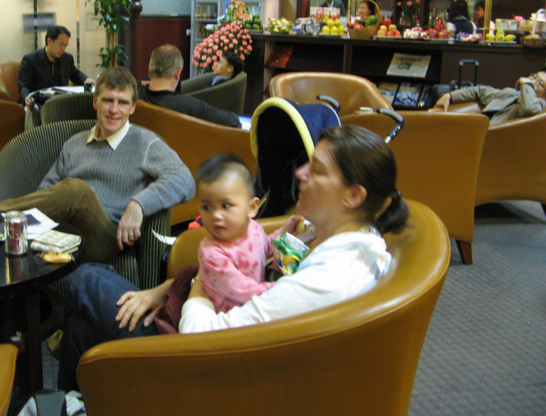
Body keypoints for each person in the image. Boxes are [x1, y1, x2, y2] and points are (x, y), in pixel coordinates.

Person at [56, 124, 409, 391]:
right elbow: (257, 267)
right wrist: (166, 288)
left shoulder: (329, 279)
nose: (300, 173)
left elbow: (201, 340)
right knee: (79, 331)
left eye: (316, 170)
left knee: (86, 278)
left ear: (353, 195)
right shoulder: (336, 238)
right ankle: (76, 410)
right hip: (223, 342)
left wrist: (196, 288)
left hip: (208, 370)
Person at [0, 66, 194, 263]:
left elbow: (184, 179)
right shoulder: (74, 143)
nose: (114, 110)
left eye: (123, 103)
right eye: (108, 100)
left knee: (78, 190)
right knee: (72, 192)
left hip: (105, 238)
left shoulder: (145, 143)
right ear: (95, 101)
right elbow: (46, 192)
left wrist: (138, 205)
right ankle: (3, 228)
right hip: (63, 232)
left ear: (132, 108)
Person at [194, 153, 300, 313]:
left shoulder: (253, 228)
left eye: (226, 205)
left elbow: (266, 248)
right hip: (231, 318)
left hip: (256, 302)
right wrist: (281, 287)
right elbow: (242, 290)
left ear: (251, 208)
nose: (215, 215)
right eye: (207, 207)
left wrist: (284, 232)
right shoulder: (211, 253)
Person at [138, 44, 241, 128]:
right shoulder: (190, 105)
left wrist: (142, 83)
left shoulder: (133, 95)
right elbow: (233, 121)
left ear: (149, 70)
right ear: (177, 73)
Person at [433, 69, 546, 124]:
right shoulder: (511, 94)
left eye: (540, 83)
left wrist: (527, 84)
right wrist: (449, 96)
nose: (532, 81)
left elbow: (529, 109)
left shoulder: (540, 105)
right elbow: (481, 91)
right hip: (477, 134)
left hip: (494, 142)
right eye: (534, 77)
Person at [17, 25, 90, 109]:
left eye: (66, 45)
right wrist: (27, 97)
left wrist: (87, 80)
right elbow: (23, 85)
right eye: (61, 44)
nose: (63, 49)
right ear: (49, 41)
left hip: (60, 102)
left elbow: (75, 74)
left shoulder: (66, 58)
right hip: (38, 103)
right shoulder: (31, 59)